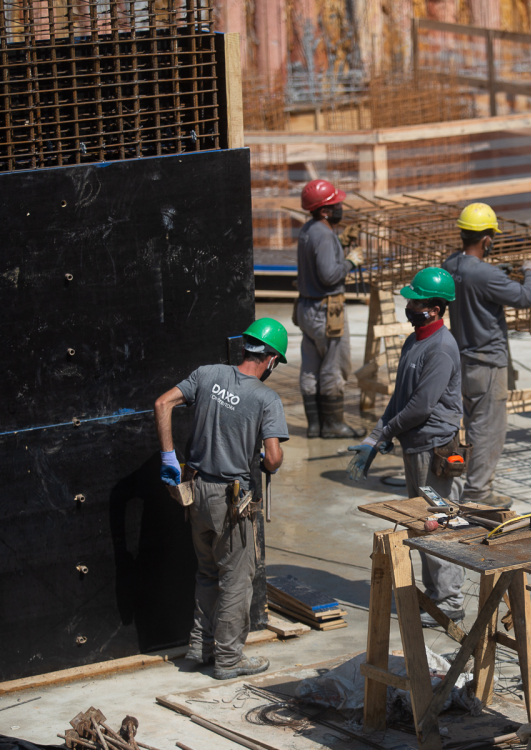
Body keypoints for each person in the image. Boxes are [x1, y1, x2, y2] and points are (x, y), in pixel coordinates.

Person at [154, 318, 289, 680]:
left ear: (246, 348)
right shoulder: (265, 398)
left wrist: (168, 457)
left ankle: (201, 646)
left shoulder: (208, 374)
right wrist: (260, 458)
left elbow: (163, 403)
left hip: (195, 491)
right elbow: (273, 459)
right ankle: (228, 659)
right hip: (232, 501)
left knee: (207, 571)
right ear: (272, 359)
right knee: (236, 578)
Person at [346, 268, 467, 627]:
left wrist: (387, 433)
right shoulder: (415, 340)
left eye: (415, 301)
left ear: (434, 308)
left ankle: (450, 602)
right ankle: (436, 597)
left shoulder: (442, 349)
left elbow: (421, 406)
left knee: (437, 523)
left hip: (435, 450)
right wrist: (376, 434)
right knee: (421, 523)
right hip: (415, 446)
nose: (409, 306)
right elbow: (401, 397)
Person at [442, 203, 531, 509]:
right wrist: (530, 271)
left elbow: (480, 281)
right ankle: (478, 493)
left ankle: (471, 482)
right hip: (488, 363)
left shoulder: (451, 265)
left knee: (472, 426)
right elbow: (526, 297)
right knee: (488, 431)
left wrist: (499, 274)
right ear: (486, 239)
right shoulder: (484, 274)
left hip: (463, 360)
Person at [296, 179, 365, 439]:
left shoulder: (309, 229)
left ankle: (315, 426)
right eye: (336, 205)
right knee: (334, 367)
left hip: (307, 308)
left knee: (311, 367)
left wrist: (340, 243)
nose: (340, 208)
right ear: (324, 210)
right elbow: (329, 275)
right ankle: (333, 425)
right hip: (327, 312)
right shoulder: (323, 235)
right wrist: (350, 261)